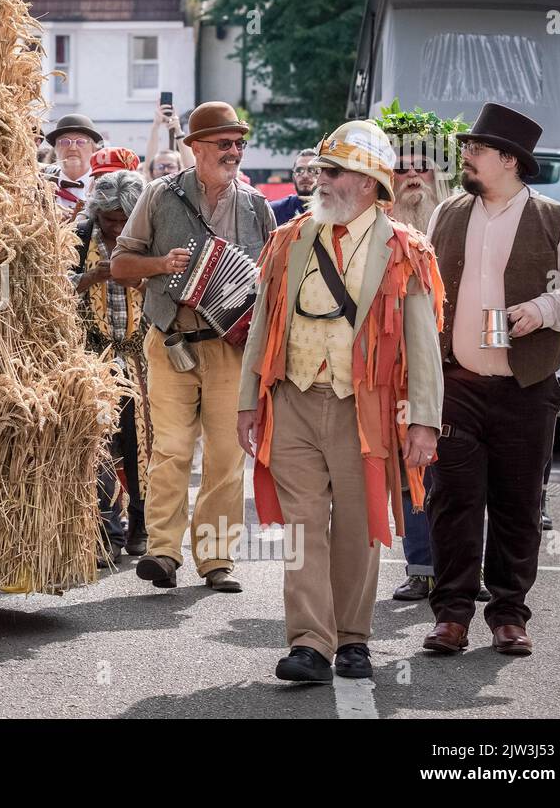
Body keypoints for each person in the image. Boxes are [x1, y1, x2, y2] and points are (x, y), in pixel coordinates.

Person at [238, 120, 443, 682]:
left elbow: (424, 343)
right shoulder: (289, 240)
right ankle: (308, 642)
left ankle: (353, 639)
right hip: (294, 400)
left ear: (367, 182)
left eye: (332, 172)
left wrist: (424, 421)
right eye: (321, 171)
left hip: (365, 408)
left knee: (357, 525)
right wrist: (247, 401)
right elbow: (264, 325)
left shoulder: (406, 249)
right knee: (303, 527)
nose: (318, 180)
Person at [423, 103, 560, 658]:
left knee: (519, 502)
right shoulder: (447, 212)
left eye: (475, 149)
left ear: (508, 160)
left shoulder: (558, 218)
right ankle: (451, 615)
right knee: (452, 500)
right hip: (459, 385)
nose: (465, 156)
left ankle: (509, 614)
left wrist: (540, 310)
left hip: (527, 386)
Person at [110, 101, 276, 593]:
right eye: (224, 143)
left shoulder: (257, 206)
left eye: (239, 143)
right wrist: (162, 265)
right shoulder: (160, 196)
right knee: (173, 447)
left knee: (226, 456)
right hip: (171, 337)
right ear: (196, 148)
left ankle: (216, 559)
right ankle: (163, 551)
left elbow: (275, 278)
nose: (234, 151)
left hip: (231, 346)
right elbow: (121, 264)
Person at [72, 156, 149, 564]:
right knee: (100, 441)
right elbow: (51, 288)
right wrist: (92, 277)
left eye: (124, 221)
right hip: (93, 352)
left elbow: (171, 285)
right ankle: (106, 531)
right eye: (109, 221)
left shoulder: (151, 234)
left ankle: (141, 524)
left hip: (143, 355)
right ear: (96, 214)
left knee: (144, 443)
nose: (116, 229)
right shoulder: (79, 235)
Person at [383, 135, 450, 600]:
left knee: (462, 475)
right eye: (401, 167)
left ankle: (468, 570)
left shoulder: (456, 220)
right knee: (412, 469)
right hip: (396, 373)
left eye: (421, 167)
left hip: (459, 367)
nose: (412, 175)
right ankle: (420, 567)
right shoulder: (380, 230)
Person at [43, 113, 102, 218]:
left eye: (81, 142)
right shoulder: (41, 185)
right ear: (55, 149)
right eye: (65, 142)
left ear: (94, 149)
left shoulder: (104, 187)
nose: (73, 148)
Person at [143, 101, 194, 180]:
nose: (166, 170)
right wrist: (156, 125)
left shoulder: (184, 184)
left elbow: (191, 167)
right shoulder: (151, 186)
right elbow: (148, 164)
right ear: (152, 171)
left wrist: (178, 130)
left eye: (171, 166)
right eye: (160, 167)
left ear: (180, 168)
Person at [269, 149, 318, 226]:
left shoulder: (334, 212)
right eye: (299, 170)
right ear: (293, 177)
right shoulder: (273, 211)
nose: (305, 176)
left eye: (311, 170)